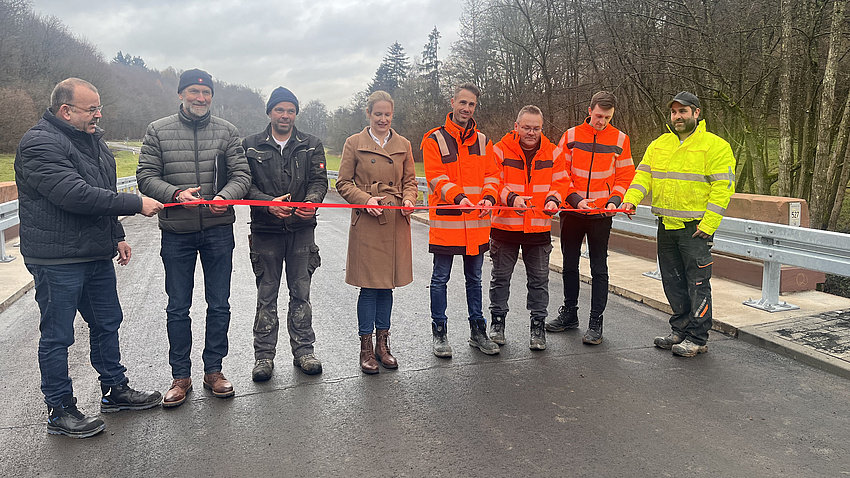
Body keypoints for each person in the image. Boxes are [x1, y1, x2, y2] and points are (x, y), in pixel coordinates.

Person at [15, 78, 164, 438]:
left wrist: (117, 235)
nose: (99, 115)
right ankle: (59, 410)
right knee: (58, 336)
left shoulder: (94, 142)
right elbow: (75, 195)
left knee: (107, 322)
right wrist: (136, 203)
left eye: (99, 108)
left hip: (95, 253)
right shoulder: (39, 143)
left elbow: (103, 192)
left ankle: (115, 390)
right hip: (57, 258)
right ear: (66, 111)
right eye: (91, 109)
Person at [137, 69, 251, 406]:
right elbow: (146, 176)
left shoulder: (227, 131)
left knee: (219, 304)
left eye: (206, 92)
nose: (200, 98)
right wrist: (175, 194)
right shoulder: (158, 130)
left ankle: (214, 371)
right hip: (177, 233)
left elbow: (242, 175)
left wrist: (225, 196)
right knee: (178, 307)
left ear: (211, 96)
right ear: (181, 94)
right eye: (193, 91)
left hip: (218, 230)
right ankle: (180, 375)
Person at [622, 91, 736, 357]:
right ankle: (680, 329)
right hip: (666, 225)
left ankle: (698, 337)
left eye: (683, 111)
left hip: (695, 229)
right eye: (674, 112)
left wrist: (709, 224)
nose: (677, 116)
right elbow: (643, 176)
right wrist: (630, 200)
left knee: (697, 284)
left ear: (696, 113)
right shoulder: (659, 144)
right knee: (672, 282)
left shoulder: (715, 146)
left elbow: (723, 188)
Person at [242, 87, 328, 380]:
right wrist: (267, 204)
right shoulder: (250, 146)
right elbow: (244, 185)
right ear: (269, 112)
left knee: (301, 294)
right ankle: (263, 357)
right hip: (265, 231)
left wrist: (312, 203)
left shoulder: (311, 145)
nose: (285, 115)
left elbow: (319, 181)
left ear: (295, 114)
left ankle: (304, 351)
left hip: (301, 231)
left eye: (291, 110)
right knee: (266, 296)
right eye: (279, 109)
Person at [337, 91, 418, 374]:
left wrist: (409, 200)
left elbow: (410, 182)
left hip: (395, 219)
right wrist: (365, 200)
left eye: (387, 114)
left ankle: (383, 346)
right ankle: (366, 348)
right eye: (378, 114)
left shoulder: (404, 144)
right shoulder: (353, 143)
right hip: (368, 221)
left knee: (387, 285)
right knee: (369, 286)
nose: (383, 119)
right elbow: (343, 183)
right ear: (369, 114)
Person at [546, 91, 635, 345]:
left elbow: (625, 175)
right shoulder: (571, 136)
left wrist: (614, 200)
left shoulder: (620, 139)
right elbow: (559, 172)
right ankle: (569, 313)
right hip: (573, 211)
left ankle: (596, 321)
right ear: (589, 111)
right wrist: (575, 199)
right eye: (598, 116)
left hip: (601, 213)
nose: (601, 122)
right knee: (569, 265)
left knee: (599, 268)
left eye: (607, 117)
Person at [422, 82, 501, 357]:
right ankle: (439, 332)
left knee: (475, 279)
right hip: (448, 223)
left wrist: (489, 197)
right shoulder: (434, 140)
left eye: (471, 104)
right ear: (452, 103)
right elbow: (435, 176)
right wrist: (459, 198)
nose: (466, 108)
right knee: (440, 279)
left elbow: (492, 175)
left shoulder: (483, 141)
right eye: (463, 102)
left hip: (476, 225)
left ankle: (478, 331)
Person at [488, 106, 569, 350]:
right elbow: (492, 181)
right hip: (505, 227)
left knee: (539, 281)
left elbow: (561, 182)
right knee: (500, 279)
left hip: (538, 228)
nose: (531, 133)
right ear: (516, 127)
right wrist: (511, 198)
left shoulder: (554, 152)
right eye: (526, 128)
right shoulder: (499, 150)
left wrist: (554, 200)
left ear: (542, 128)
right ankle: (497, 323)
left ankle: (537, 326)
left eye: (536, 128)